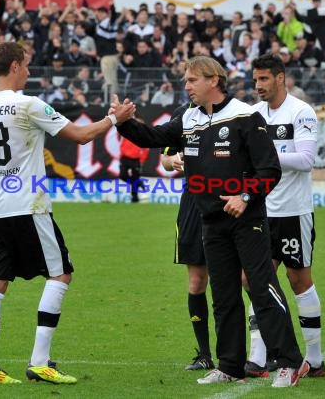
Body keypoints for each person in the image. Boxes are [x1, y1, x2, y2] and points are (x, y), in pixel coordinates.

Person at [112, 55, 304, 388]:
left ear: (213, 80)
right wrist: (124, 122)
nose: (186, 86)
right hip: (210, 221)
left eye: (191, 80)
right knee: (224, 294)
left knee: (262, 287)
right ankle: (230, 365)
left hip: (248, 219)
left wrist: (244, 197)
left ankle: (289, 362)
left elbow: (269, 170)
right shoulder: (189, 118)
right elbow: (151, 137)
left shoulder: (246, 115)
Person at [0, 42, 135, 385]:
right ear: (12, 67)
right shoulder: (28, 105)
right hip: (29, 208)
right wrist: (115, 118)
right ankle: (39, 361)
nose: (29, 71)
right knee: (60, 274)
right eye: (25, 64)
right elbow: (82, 136)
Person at [244, 53, 325, 379]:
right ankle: (257, 357)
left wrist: (263, 152)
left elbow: (305, 159)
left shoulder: (301, 112)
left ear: (280, 77)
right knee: (253, 279)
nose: (258, 86)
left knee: (298, 281)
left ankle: (316, 360)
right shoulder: (253, 114)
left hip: (293, 211)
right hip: (261, 211)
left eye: (264, 79)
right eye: (255, 80)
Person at [161, 103, 213, 371]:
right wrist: (174, 160)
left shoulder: (234, 112)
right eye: (188, 81)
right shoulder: (182, 115)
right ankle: (204, 354)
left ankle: (259, 351)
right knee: (196, 282)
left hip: (225, 198)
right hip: (192, 202)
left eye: (194, 80)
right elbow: (165, 160)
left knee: (241, 280)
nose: (189, 86)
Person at [119, 118, 149, 203]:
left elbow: (146, 149)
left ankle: (134, 198)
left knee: (135, 178)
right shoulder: (126, 132)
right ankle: (139, 184)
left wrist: (142, 160)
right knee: (122, 175)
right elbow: (122, 143)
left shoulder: (142, 135)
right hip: (125, 157)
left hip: (136, 159)